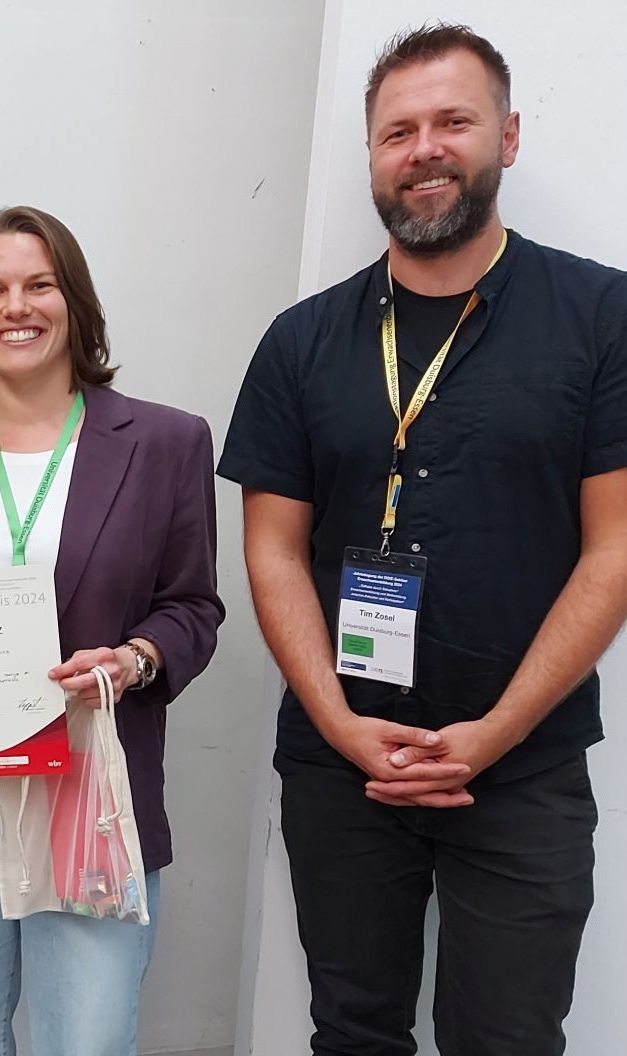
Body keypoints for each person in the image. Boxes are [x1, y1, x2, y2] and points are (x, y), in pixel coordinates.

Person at [219, 23, 627, 1055]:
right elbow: (271, 553)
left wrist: (495, 733)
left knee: (509, 1038)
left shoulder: (602, 316)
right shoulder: (301, 341)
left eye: (454, 121)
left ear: (510, 135)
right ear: (371, 156)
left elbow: (615, 550)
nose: (426, 149)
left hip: (524, 769)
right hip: (341, 767)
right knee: (353, 1033)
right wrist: (342, 722)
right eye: (398, 131)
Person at [0, 206, 223, 1056]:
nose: (14, 306)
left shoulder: (166, 443)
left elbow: (194, 609)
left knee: (87, 1040)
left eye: (38, 284)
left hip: (88, 787)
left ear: (76, 303)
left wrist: (135, 661)